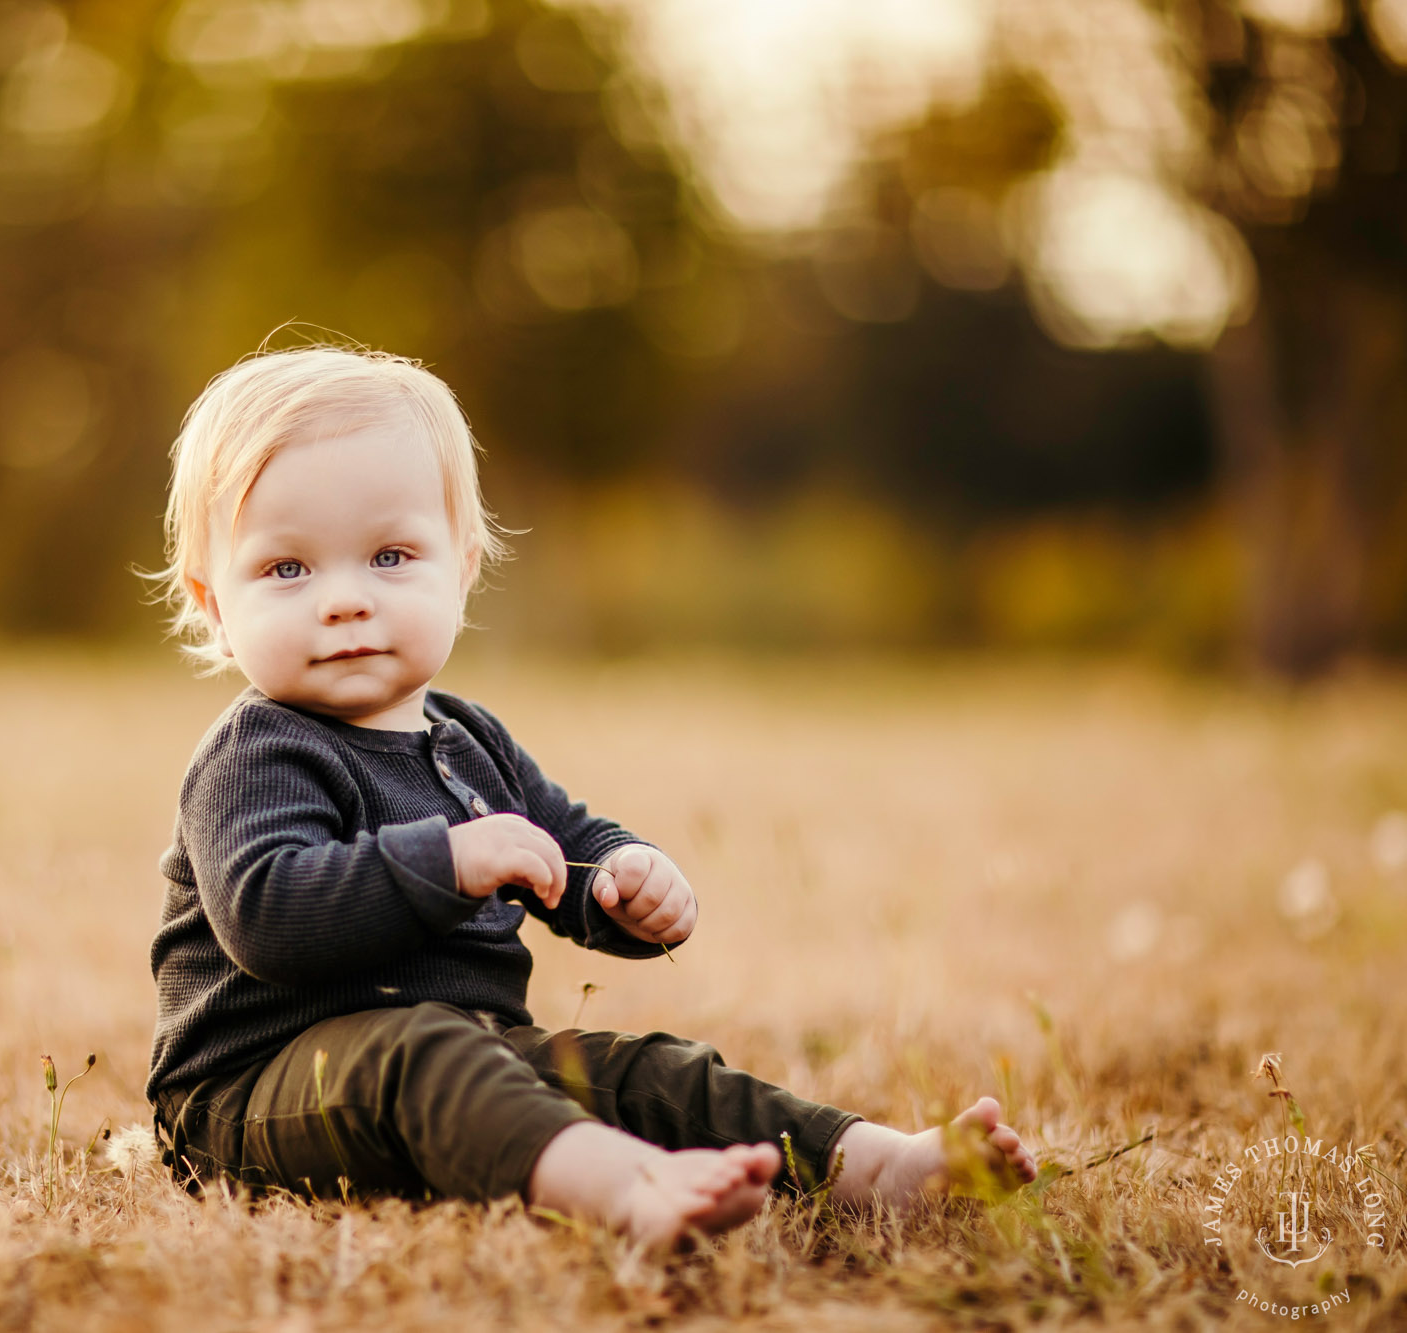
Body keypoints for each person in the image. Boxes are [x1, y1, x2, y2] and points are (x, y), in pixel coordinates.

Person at [141, 344, 1037, 1249]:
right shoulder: (255, 753)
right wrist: (448, 862)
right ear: (214, 602)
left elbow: (561, 844)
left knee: (642, 1070)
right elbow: (267, 916)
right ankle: (626, 1189)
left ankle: (869, 1164)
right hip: (254, 1096)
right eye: (287, 569)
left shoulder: (468, 738)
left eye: (389, 555)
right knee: (423, 1055)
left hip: (471, 1054)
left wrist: (623, 878)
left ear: (462, 568)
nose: (343, 601)